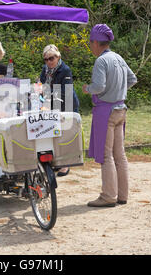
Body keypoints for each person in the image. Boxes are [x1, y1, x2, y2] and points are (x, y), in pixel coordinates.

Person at [82, 24, 137, 207]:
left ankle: (108, 196)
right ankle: (122, 195)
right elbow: (132, 79)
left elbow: (99, 86)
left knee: (106, 156)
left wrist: (88, 89)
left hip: (106, 111)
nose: (90, 46)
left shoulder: (101, 61)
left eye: (91, 43)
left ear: (97, 42)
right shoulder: (118, 58)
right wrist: (119, 90)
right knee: (119, 154)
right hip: (121, 109)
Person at [39, 44, 80, 177]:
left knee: (66, 134)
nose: (49, 62)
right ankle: (57, 161)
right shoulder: (45, 69)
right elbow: (41, 83)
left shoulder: (65, 70)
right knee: (54, 134)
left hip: (67, 105)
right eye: (46, 59)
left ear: (58, 57)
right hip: (51, 105)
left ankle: (66, 165)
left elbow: (65, 92)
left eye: (51, 58)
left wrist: (46, 91)